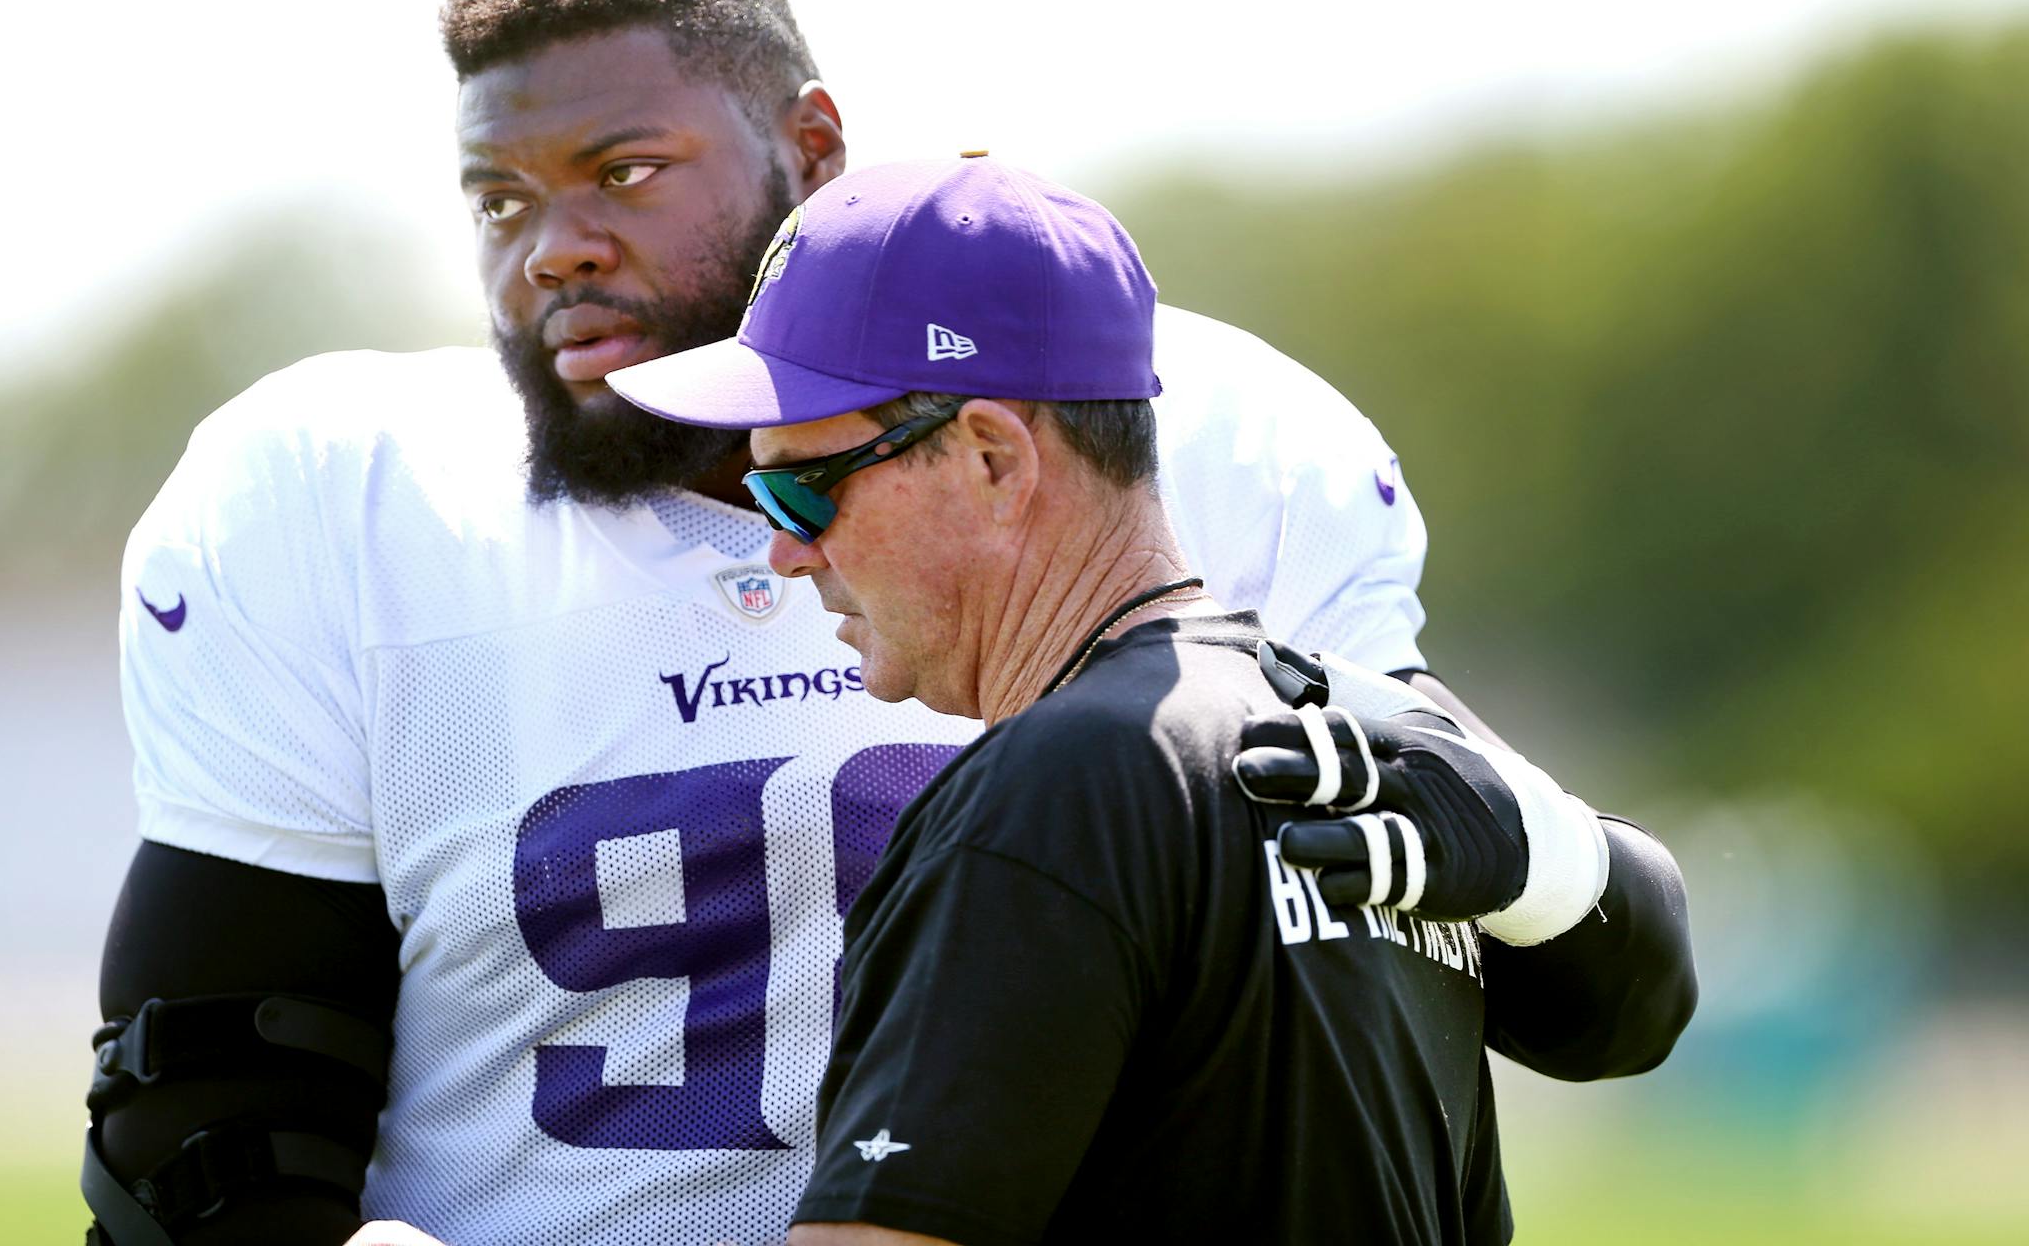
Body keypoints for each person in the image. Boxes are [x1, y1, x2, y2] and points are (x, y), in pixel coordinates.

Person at [85, 0, 1695, 1246]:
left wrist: (1548, 845)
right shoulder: (332, 501)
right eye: (497, 197)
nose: (552, 247)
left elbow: (1558, 988)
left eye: (624, 171)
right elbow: (212, 1101)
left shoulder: (1183, 450)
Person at [607, 154, 1638, 1242]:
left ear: (993, 459)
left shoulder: (1048, 797)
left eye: (801, 487)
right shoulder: (1361, 767)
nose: (782, 550)